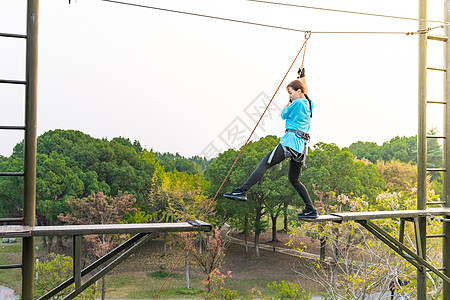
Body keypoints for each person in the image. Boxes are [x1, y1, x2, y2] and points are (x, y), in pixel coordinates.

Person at [223, 68, 318, 218]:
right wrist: (303, 77)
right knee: (294, 180)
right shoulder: (309, 103)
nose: (290, 96)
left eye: (291, 92)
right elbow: (306, 92)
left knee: (264, 164)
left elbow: (283, 114)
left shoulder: (296, 103)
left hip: (289, 142)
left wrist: (289, 101)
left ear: (298, 91)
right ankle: (310, 209)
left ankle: (242, 190)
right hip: (300, 148)